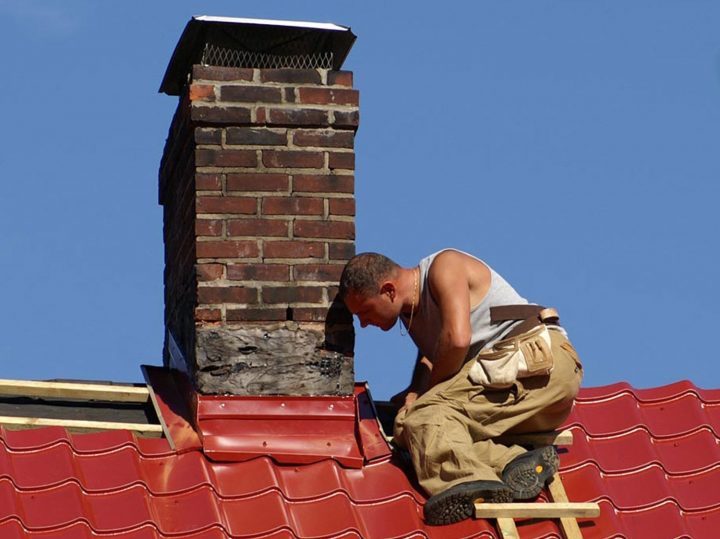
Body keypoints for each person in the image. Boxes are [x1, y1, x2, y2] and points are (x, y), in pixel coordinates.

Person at [339, 249, 583, 525]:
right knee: (419, 428)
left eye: (365, 310)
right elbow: (433, 356)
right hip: (521, 390)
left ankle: (469, 482)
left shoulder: (444, 267)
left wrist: (422, 401)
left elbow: (456, 339)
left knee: (421, 420)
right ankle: (513, 462)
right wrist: (413, 390)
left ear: (389, 290)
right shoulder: (413, 315)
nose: (363, 323)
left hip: (537, 362)